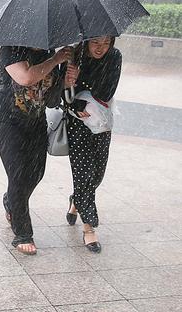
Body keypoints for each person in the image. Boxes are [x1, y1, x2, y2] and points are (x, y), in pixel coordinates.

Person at [0, 45, 72, 255]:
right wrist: (55, 60)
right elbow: (25, 78)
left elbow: (52, 100)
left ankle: (11, 201)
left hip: (36, 121)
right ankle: (23, 233)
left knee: (36, 173)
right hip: (8, 120)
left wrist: (65, 80)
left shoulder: (48, 53)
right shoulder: (11, 49)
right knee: (18, 175)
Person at [64, 36, 122, 253]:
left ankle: (76, 200)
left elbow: (106, 91)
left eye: (107, 42)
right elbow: (63, 93)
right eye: (96, 42)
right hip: (77, 123)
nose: (101, 48)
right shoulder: (73, 56)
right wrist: (70, 85)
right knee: (84, 172)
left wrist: (82, 77)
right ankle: (89, 229)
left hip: (100, 121)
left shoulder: (114, 57)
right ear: (87, 40)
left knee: (97, 173)